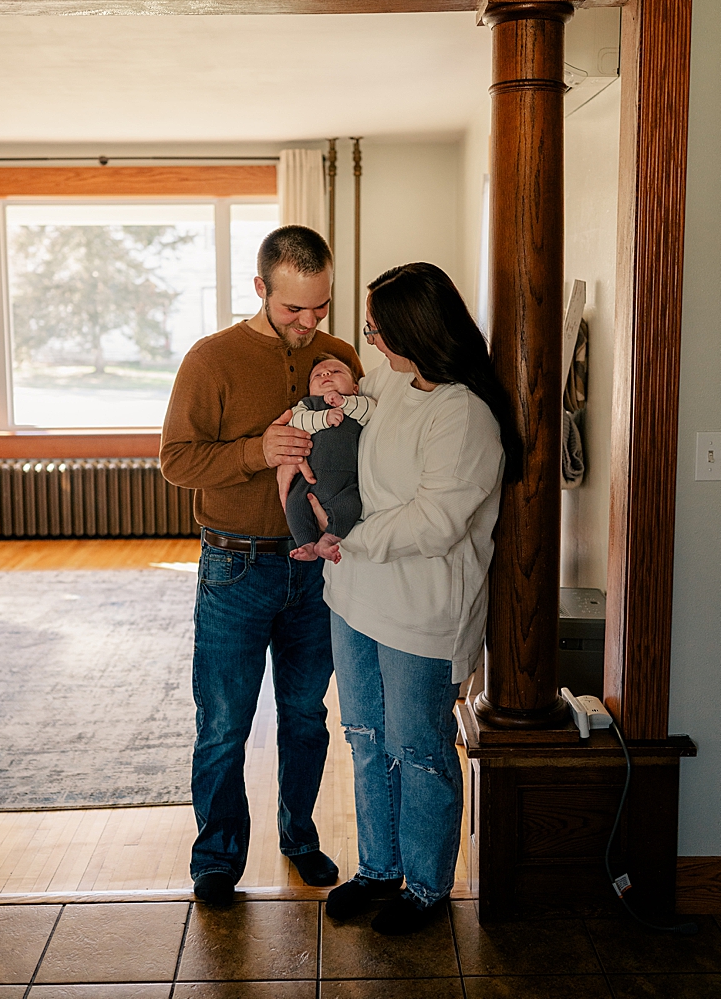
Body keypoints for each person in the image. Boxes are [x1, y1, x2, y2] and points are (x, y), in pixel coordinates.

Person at [160, 224, 361, 906]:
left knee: (306, 716)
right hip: (235, 569)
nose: (309, 325)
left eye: (320, 308)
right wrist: (256, 451)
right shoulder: (210, 359)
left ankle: (299, 836)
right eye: (292, 309)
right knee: (223, 722)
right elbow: (176, 461)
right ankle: (216, 858)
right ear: (260, 289)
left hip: (319, 575)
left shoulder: (338, 357)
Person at [320, 262, 516, 935]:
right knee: (367, 738)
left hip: (420, 613)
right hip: (355, 597)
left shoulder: (464, 414)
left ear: (415, 331)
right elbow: (356, 414)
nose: (369, 340)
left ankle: (427, 885)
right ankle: (379, 868)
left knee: (419, 747)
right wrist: (330, 397)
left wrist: (345, 534)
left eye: (377, 329)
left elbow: (436, 521)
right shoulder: (393, 380)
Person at [277, 356, 375, 563]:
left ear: (355, 387)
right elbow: (296, 421)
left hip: (345, 482)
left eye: (336, 372)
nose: (326, 375)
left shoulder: (357, 404)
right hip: (309, 478)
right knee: (294, 504)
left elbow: (371, 411)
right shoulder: (308, 405)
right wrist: (324, 417)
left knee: (351, 506)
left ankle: (328, 539)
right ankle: (306, 543)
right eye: (318, 375)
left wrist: (343, 402)